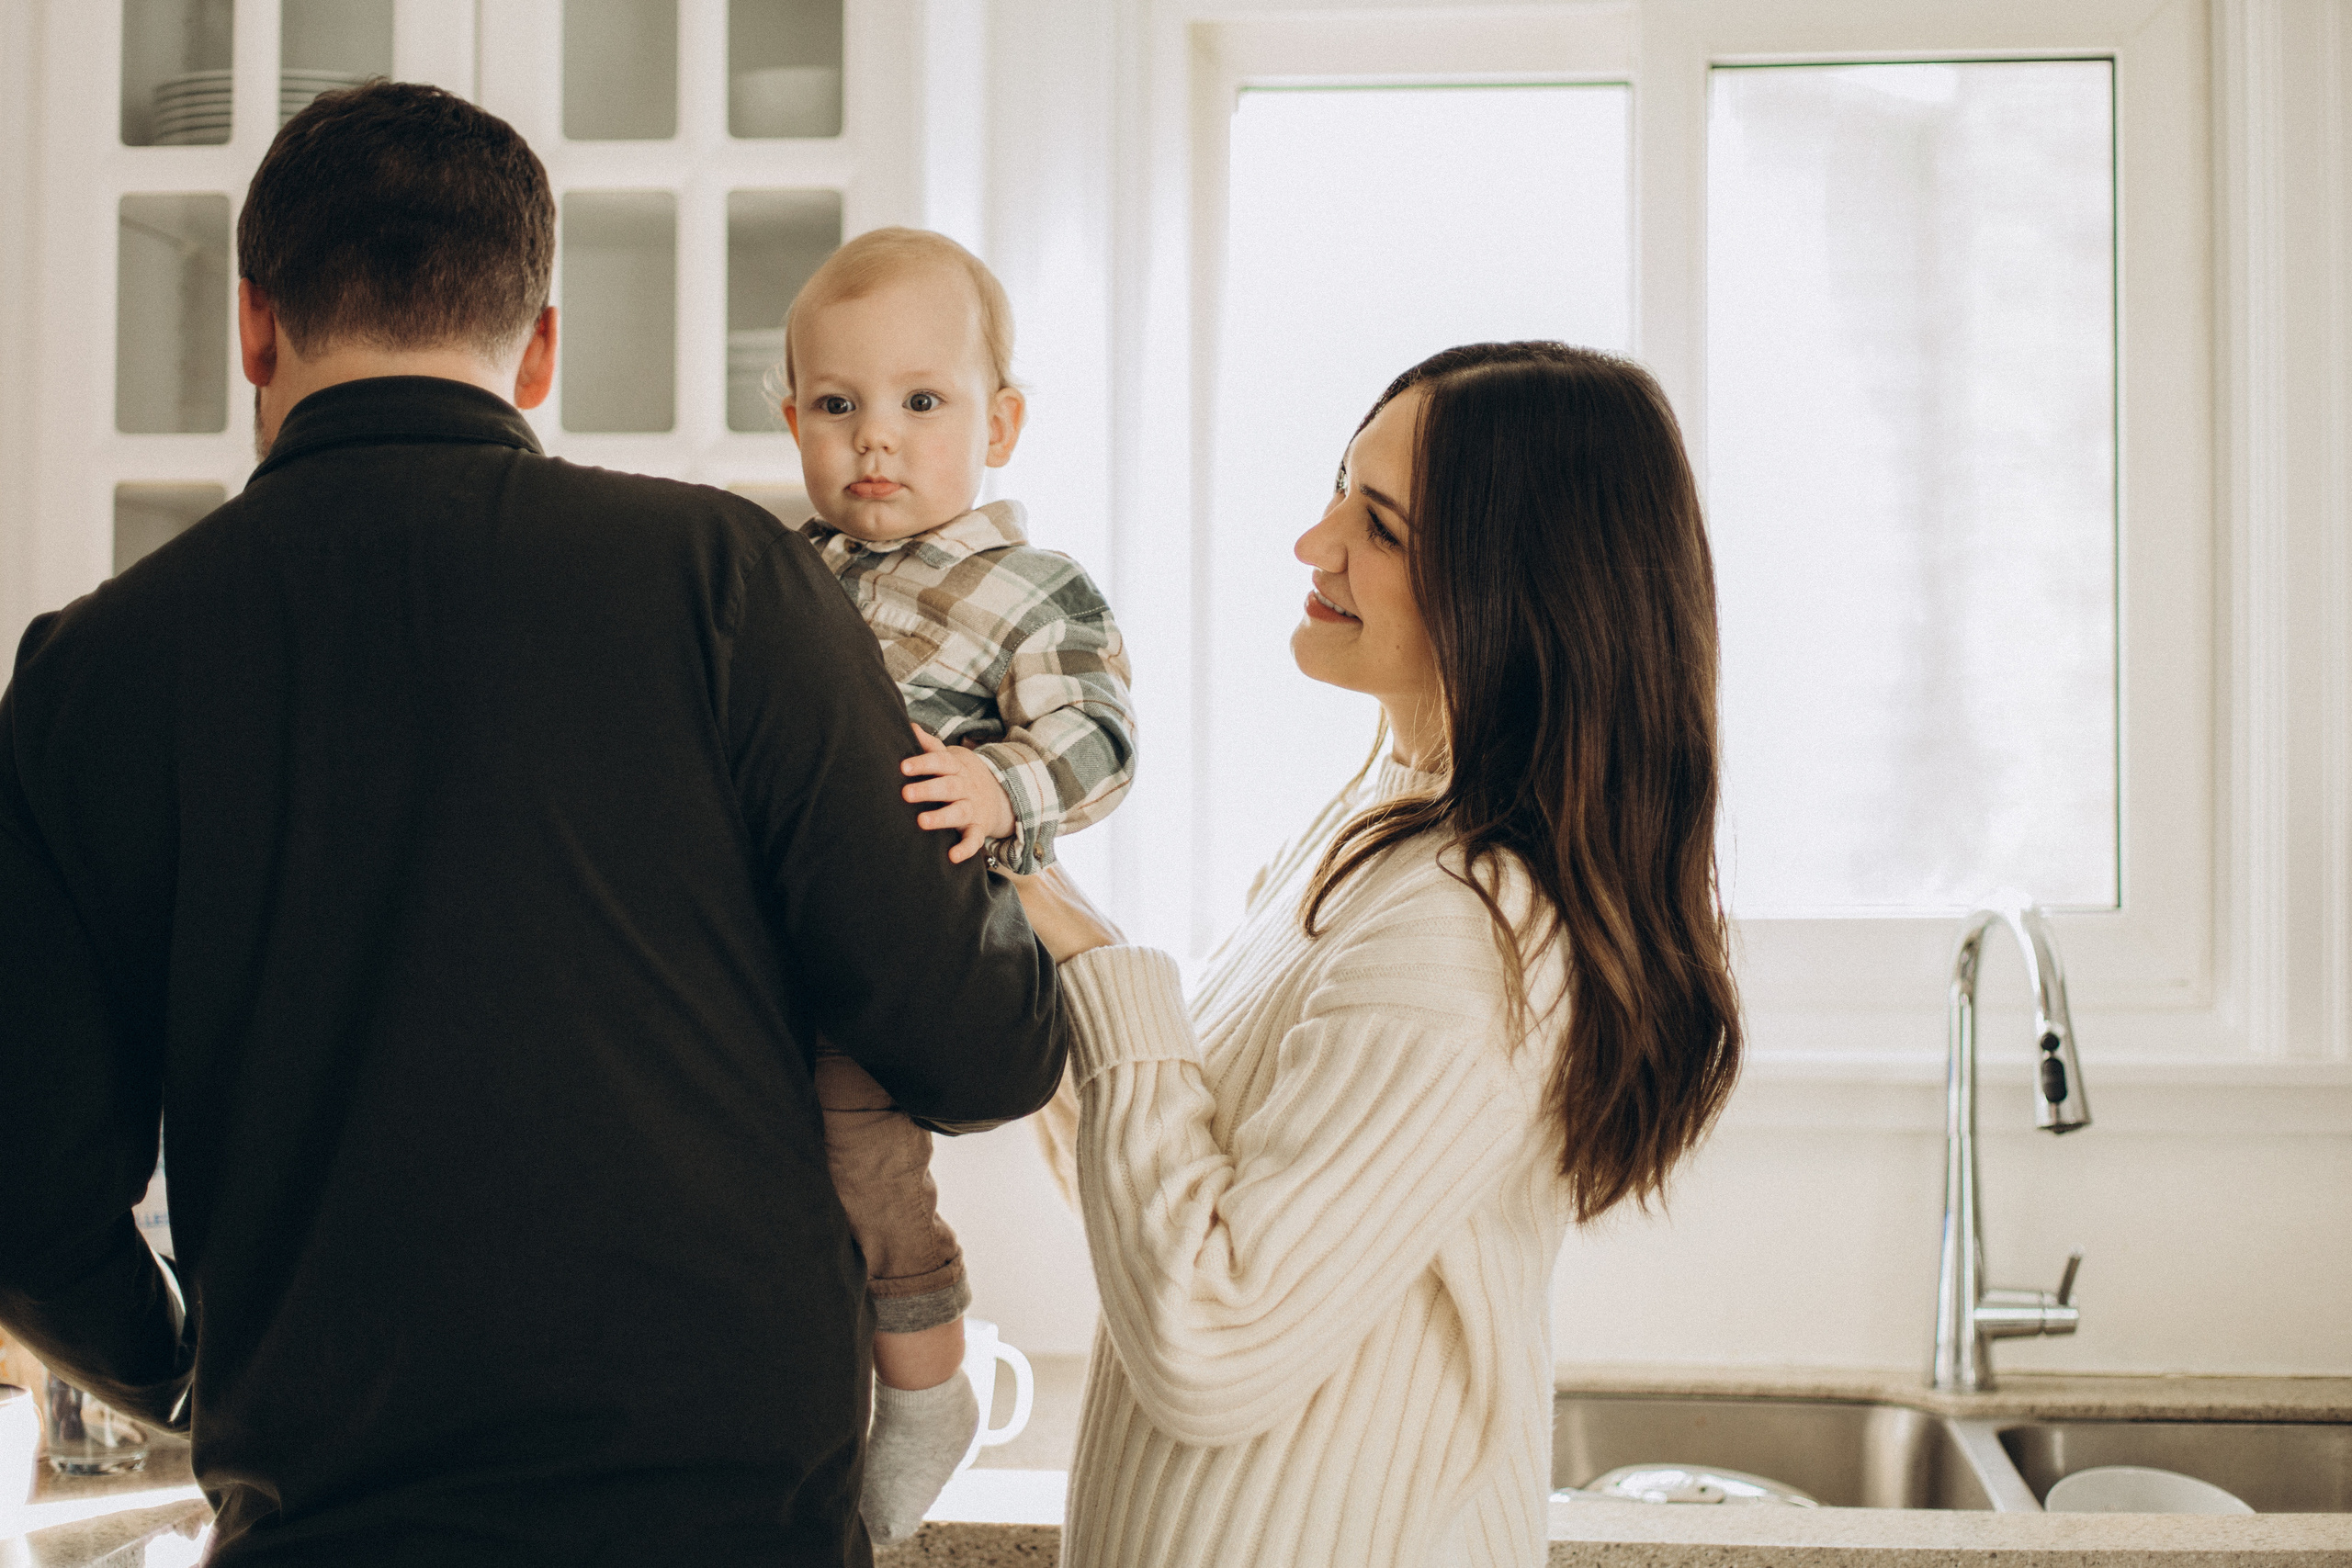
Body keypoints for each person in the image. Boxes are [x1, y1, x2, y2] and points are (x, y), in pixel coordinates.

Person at [0, 82, 1064, 1568]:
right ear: (541, 348)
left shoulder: (88, 673)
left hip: (335, 1520)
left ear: (250, 326)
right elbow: (980, 1045)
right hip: (729, 1522)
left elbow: (27, 1189)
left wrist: (179, 1365)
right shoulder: (724, 577)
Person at [1017, 342, 1746, 1567]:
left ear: (1526, 591)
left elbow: (1207, 1340)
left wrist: (1094, 954)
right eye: (1339, 490)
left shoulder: (1470, 925)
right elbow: (1167, 1207)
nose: (1316, 544)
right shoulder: (1370, 836)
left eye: (1384, 529)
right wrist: (1017, 915)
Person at [774, 226, 1136, 1542]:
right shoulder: (787, 571)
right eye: (837, 405)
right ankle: (853, 1379)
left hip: (930, 936)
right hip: (782, 938)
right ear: (791, 415)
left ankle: (932, 1392)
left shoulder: (1028, 588)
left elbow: (1103, 740)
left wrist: (1001, 786)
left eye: (922, 403)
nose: (877, 440)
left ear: (1003, 420)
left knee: (863, 1159)